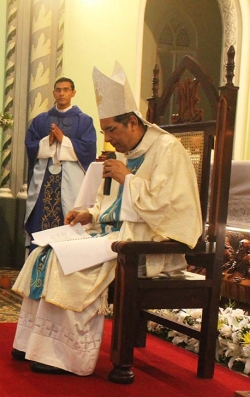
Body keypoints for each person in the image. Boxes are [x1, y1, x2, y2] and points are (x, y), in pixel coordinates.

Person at [11, 62, 202, 376]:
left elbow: (173, 209)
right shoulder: (129, 150)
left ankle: (66, 357)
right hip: (117, 236)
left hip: (149, 244)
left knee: (68, 265)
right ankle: (33, 343)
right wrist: (90, 214)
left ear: (131, 122)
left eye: (112, 130)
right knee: (44, 254)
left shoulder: (169, 150)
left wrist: (129, 179)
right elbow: (113, 206)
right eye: (104, 132)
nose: (109, 139)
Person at [24, 77, 97, 244]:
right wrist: (47, 142)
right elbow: (30, 144)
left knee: (68, 216)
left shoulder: (84, 120)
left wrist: (64, 140)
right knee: (39, 215)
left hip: (70, 180)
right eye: (58, 90)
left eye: (66, 90)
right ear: (53, 93)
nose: (61, 93)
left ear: (73, 93)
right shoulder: (41, 120)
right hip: (44, 180)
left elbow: (88, 148)